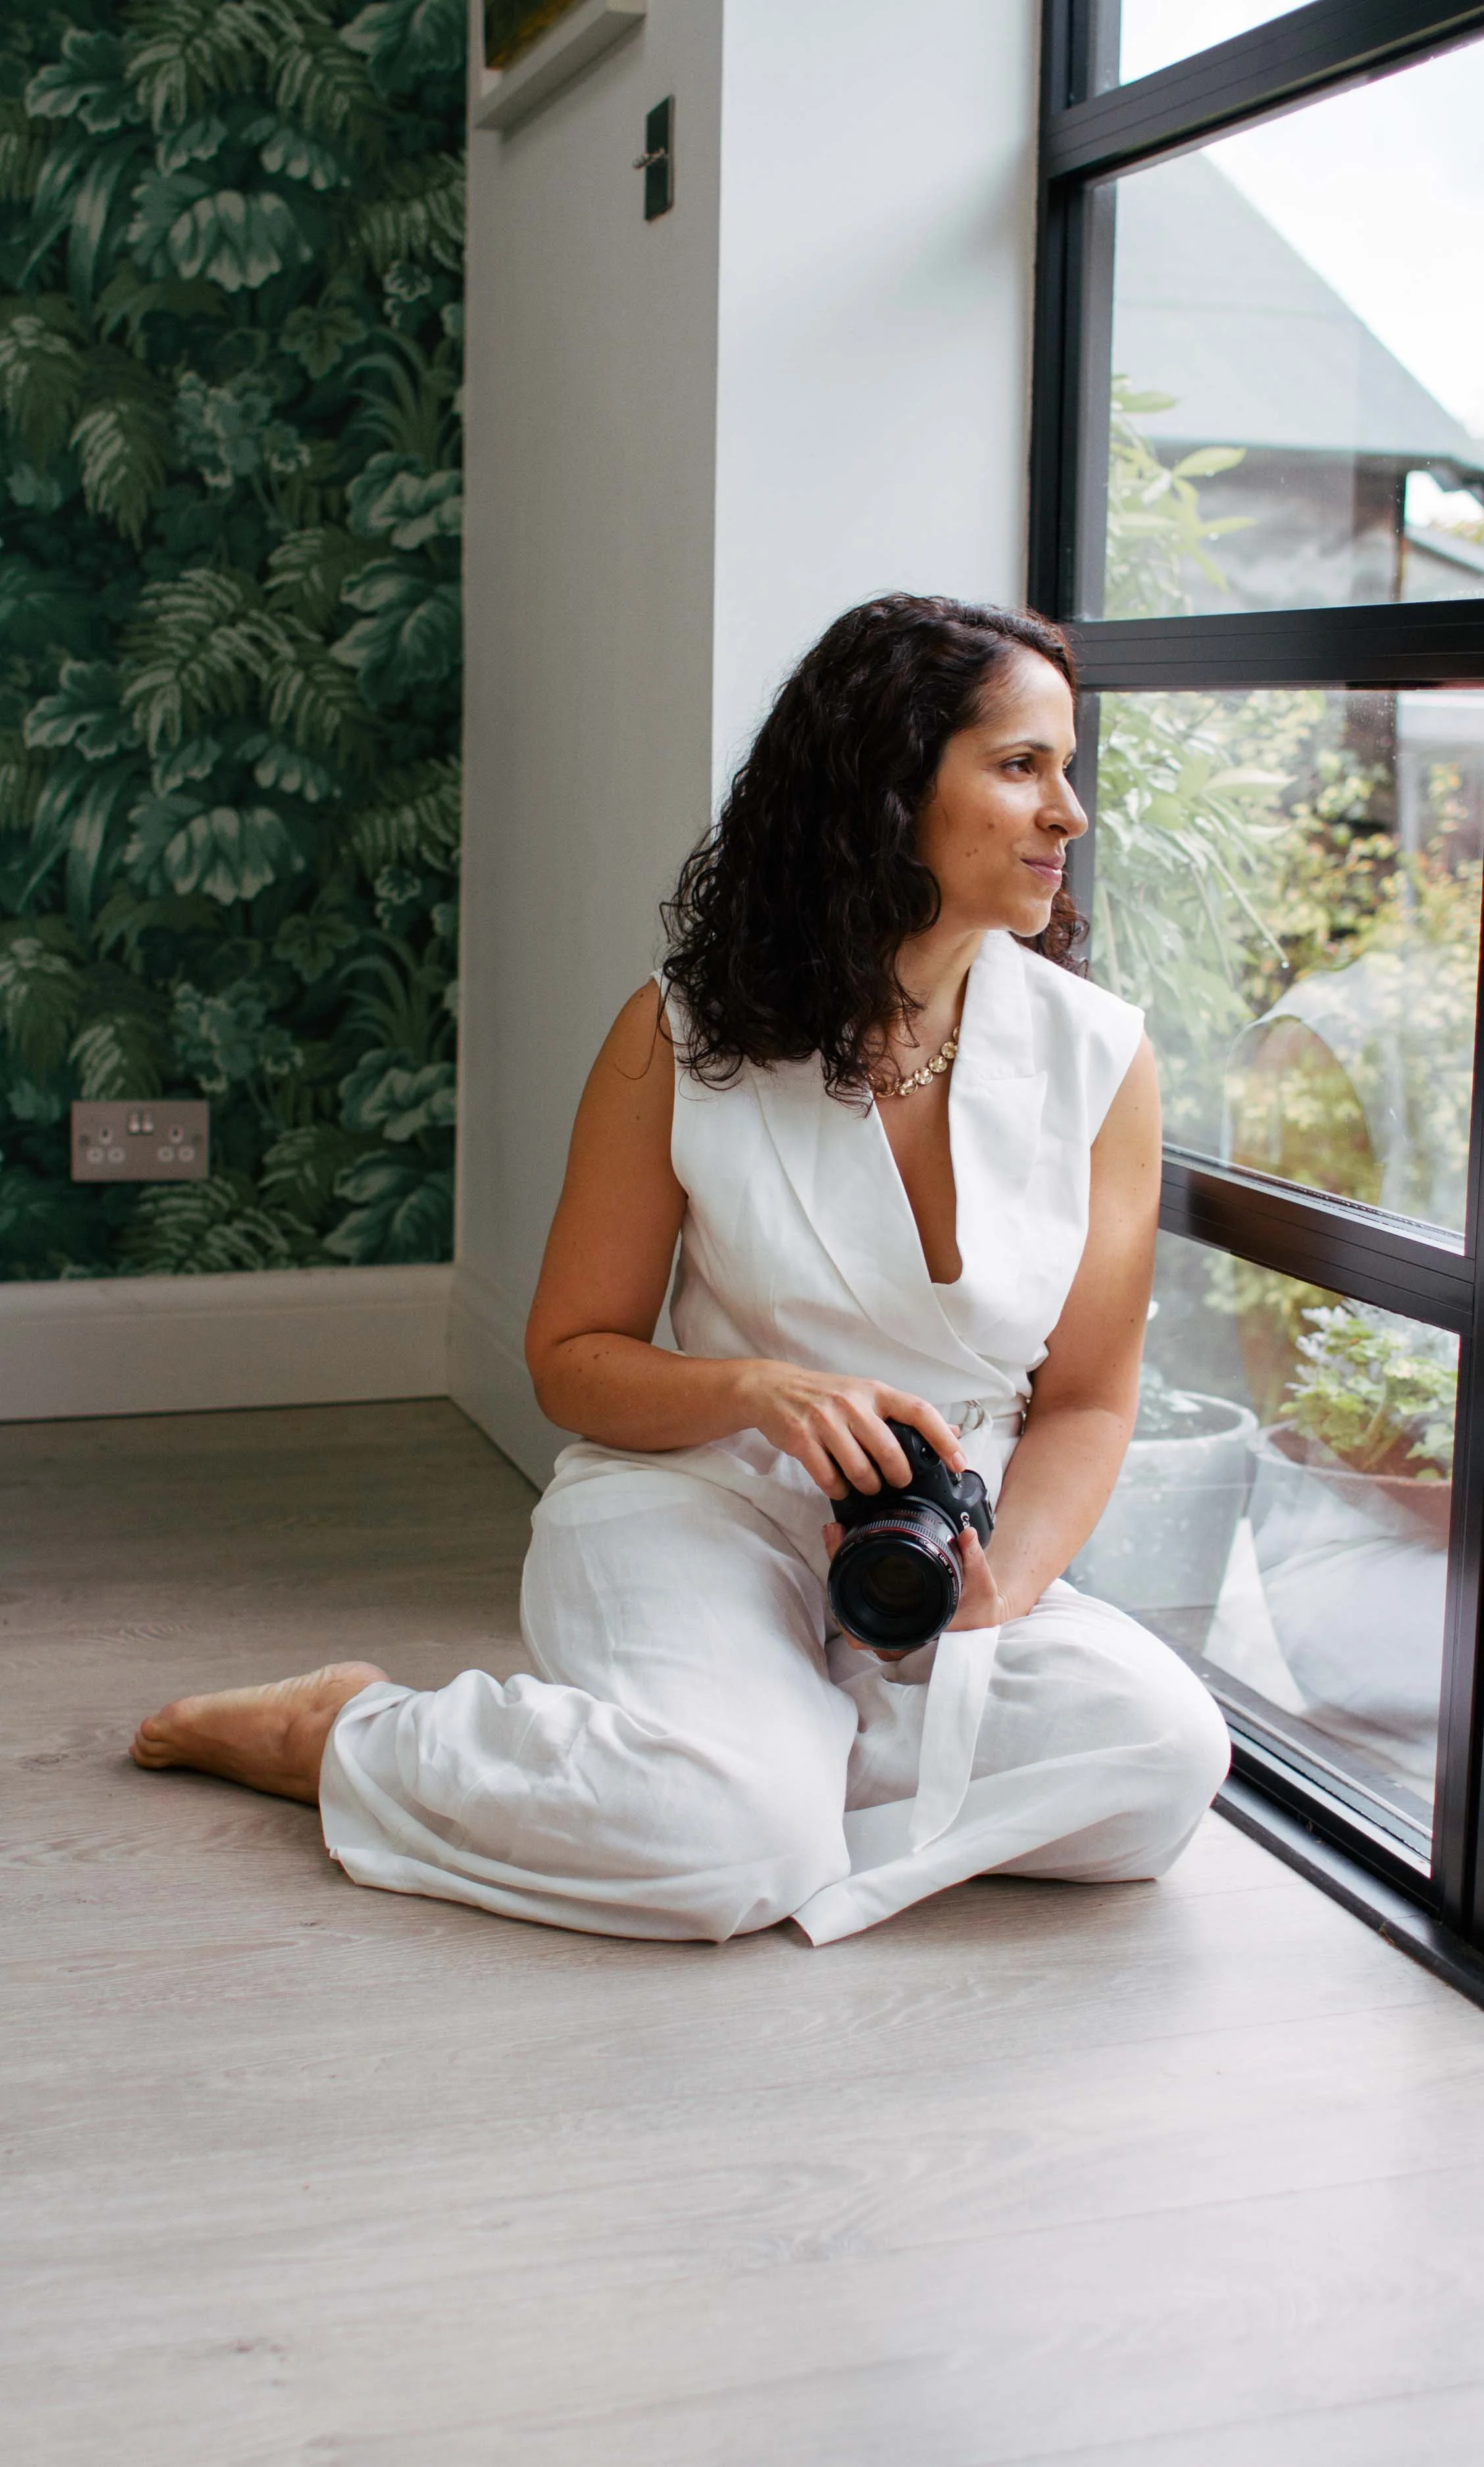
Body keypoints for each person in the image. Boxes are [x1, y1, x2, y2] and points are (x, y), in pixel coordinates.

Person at [130, 595, 1229, 1945]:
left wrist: (998, 1589)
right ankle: (350, 1732)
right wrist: (759, 1391)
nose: (1070, 811)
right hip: (702, 1495)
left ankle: (747, 1765)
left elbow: (1087, 1401)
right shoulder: (681, 1036)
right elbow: (569, 1360)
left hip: (942, 1542)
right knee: (730, 1849)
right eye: (1020, 766)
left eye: (1065, 766)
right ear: (886, 786)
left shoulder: (1099, 1057)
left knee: (1166, 1757)